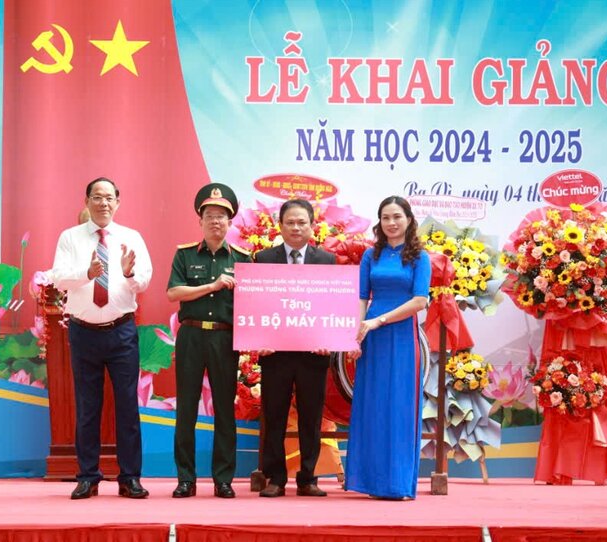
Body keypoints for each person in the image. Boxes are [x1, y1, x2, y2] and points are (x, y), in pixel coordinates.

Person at [50, 177, 152, 500]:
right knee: (87, 406)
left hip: (121, 331)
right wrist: (88, 274)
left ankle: (130, 477)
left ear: (118, 202)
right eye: (97, 197)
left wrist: (128, 273)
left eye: (109, 197)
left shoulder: (131, 237)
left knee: (127, 407)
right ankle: (88, 476)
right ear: (87, 201)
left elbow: (145, 280)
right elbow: (59, 279)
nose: (103, 203)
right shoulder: (70, 238)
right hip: (83, 332)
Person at [166, 183, 251, 499]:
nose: (215, 222)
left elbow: (254, 304)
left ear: (230, 223)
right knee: (186, 409)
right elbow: (174, 293)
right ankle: (185, 478)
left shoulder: (244, 258)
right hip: (191, 335)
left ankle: (223, 479)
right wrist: (213, 285)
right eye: (210, 216)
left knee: (225, 413)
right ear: (200, 221)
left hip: (225, 338)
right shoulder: (185, 255)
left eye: (222, 217)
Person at [345, 196, 431, 500]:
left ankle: (396, 482)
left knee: (399, 406)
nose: (391, 223)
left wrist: (378, 321)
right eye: (385, 217)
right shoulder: (372, 255)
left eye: (397, 216)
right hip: (371, 335)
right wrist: (356, 334)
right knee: (373, 405)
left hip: (402, 336)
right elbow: (360, 297)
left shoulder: (420, 257)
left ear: (408, 219)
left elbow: (420, 301)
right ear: (379, 222)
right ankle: (369, 480)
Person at [253, 199, 336, 498]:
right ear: (281, 226)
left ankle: (308, 477)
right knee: (273, 415)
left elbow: (332, 305)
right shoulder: (263, 259)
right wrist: (257, 338)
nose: (296, 228)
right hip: (275, 354)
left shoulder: (327, 260)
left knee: (311, 418)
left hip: (313, 354)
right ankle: (275, 478)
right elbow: (256, 303)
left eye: (302, 222)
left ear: (312, 226)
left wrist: (330, 338)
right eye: (290, 222)